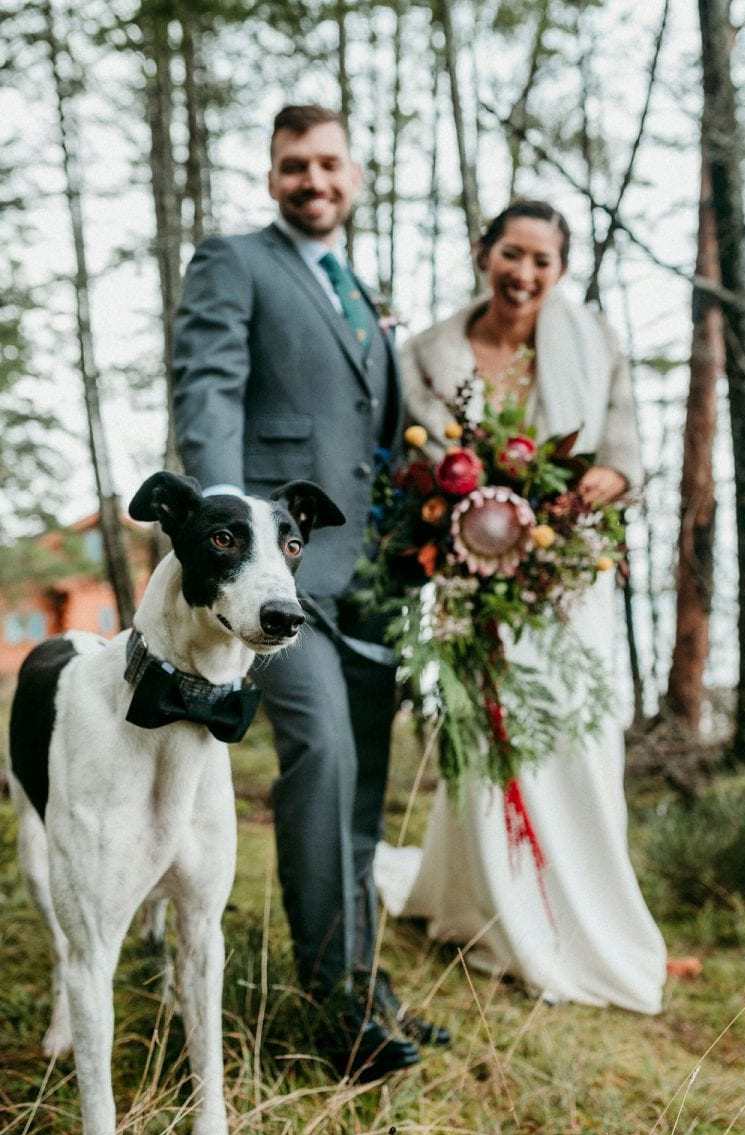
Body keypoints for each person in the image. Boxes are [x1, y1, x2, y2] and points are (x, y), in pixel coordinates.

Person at [172, 104, 449, 1080]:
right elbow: (208, 392)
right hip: (278, 585)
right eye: (296, 165)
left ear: (355, 173)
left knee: (367, 778)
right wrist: (232, 543)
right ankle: (334, 1010)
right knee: (323, 756)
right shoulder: (234, 261)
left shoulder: (360, 296)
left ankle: (370, 982)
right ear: (272, 174)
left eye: (330, 162)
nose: (314, 180)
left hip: (370, 579)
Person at [374, 199, 668, 1014]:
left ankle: (581, 912)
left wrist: (603, 480)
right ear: (483, 251)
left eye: (543, 261)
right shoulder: (427, 354)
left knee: (576, 742)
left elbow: (624, 451)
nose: (525, 274)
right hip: (474, 587)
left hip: (569, 581)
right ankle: (492, 905)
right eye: (512, 253)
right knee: (487, 742)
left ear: (561, 270)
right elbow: (414, 465)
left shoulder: (592, 338)